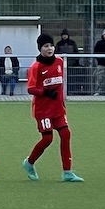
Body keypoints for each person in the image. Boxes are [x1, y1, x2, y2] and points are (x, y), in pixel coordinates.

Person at [23, 32, 84, 183]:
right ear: (40, 48)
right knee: (48, 138)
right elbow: (30, 89)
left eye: (51, 45)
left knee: (66, 134)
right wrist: (45, 92)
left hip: (57, 109)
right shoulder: (36, 67)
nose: (49, 48)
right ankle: (29, 163)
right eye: (46, 46)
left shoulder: (59, 61)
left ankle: (67, 172)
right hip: (43, 110)